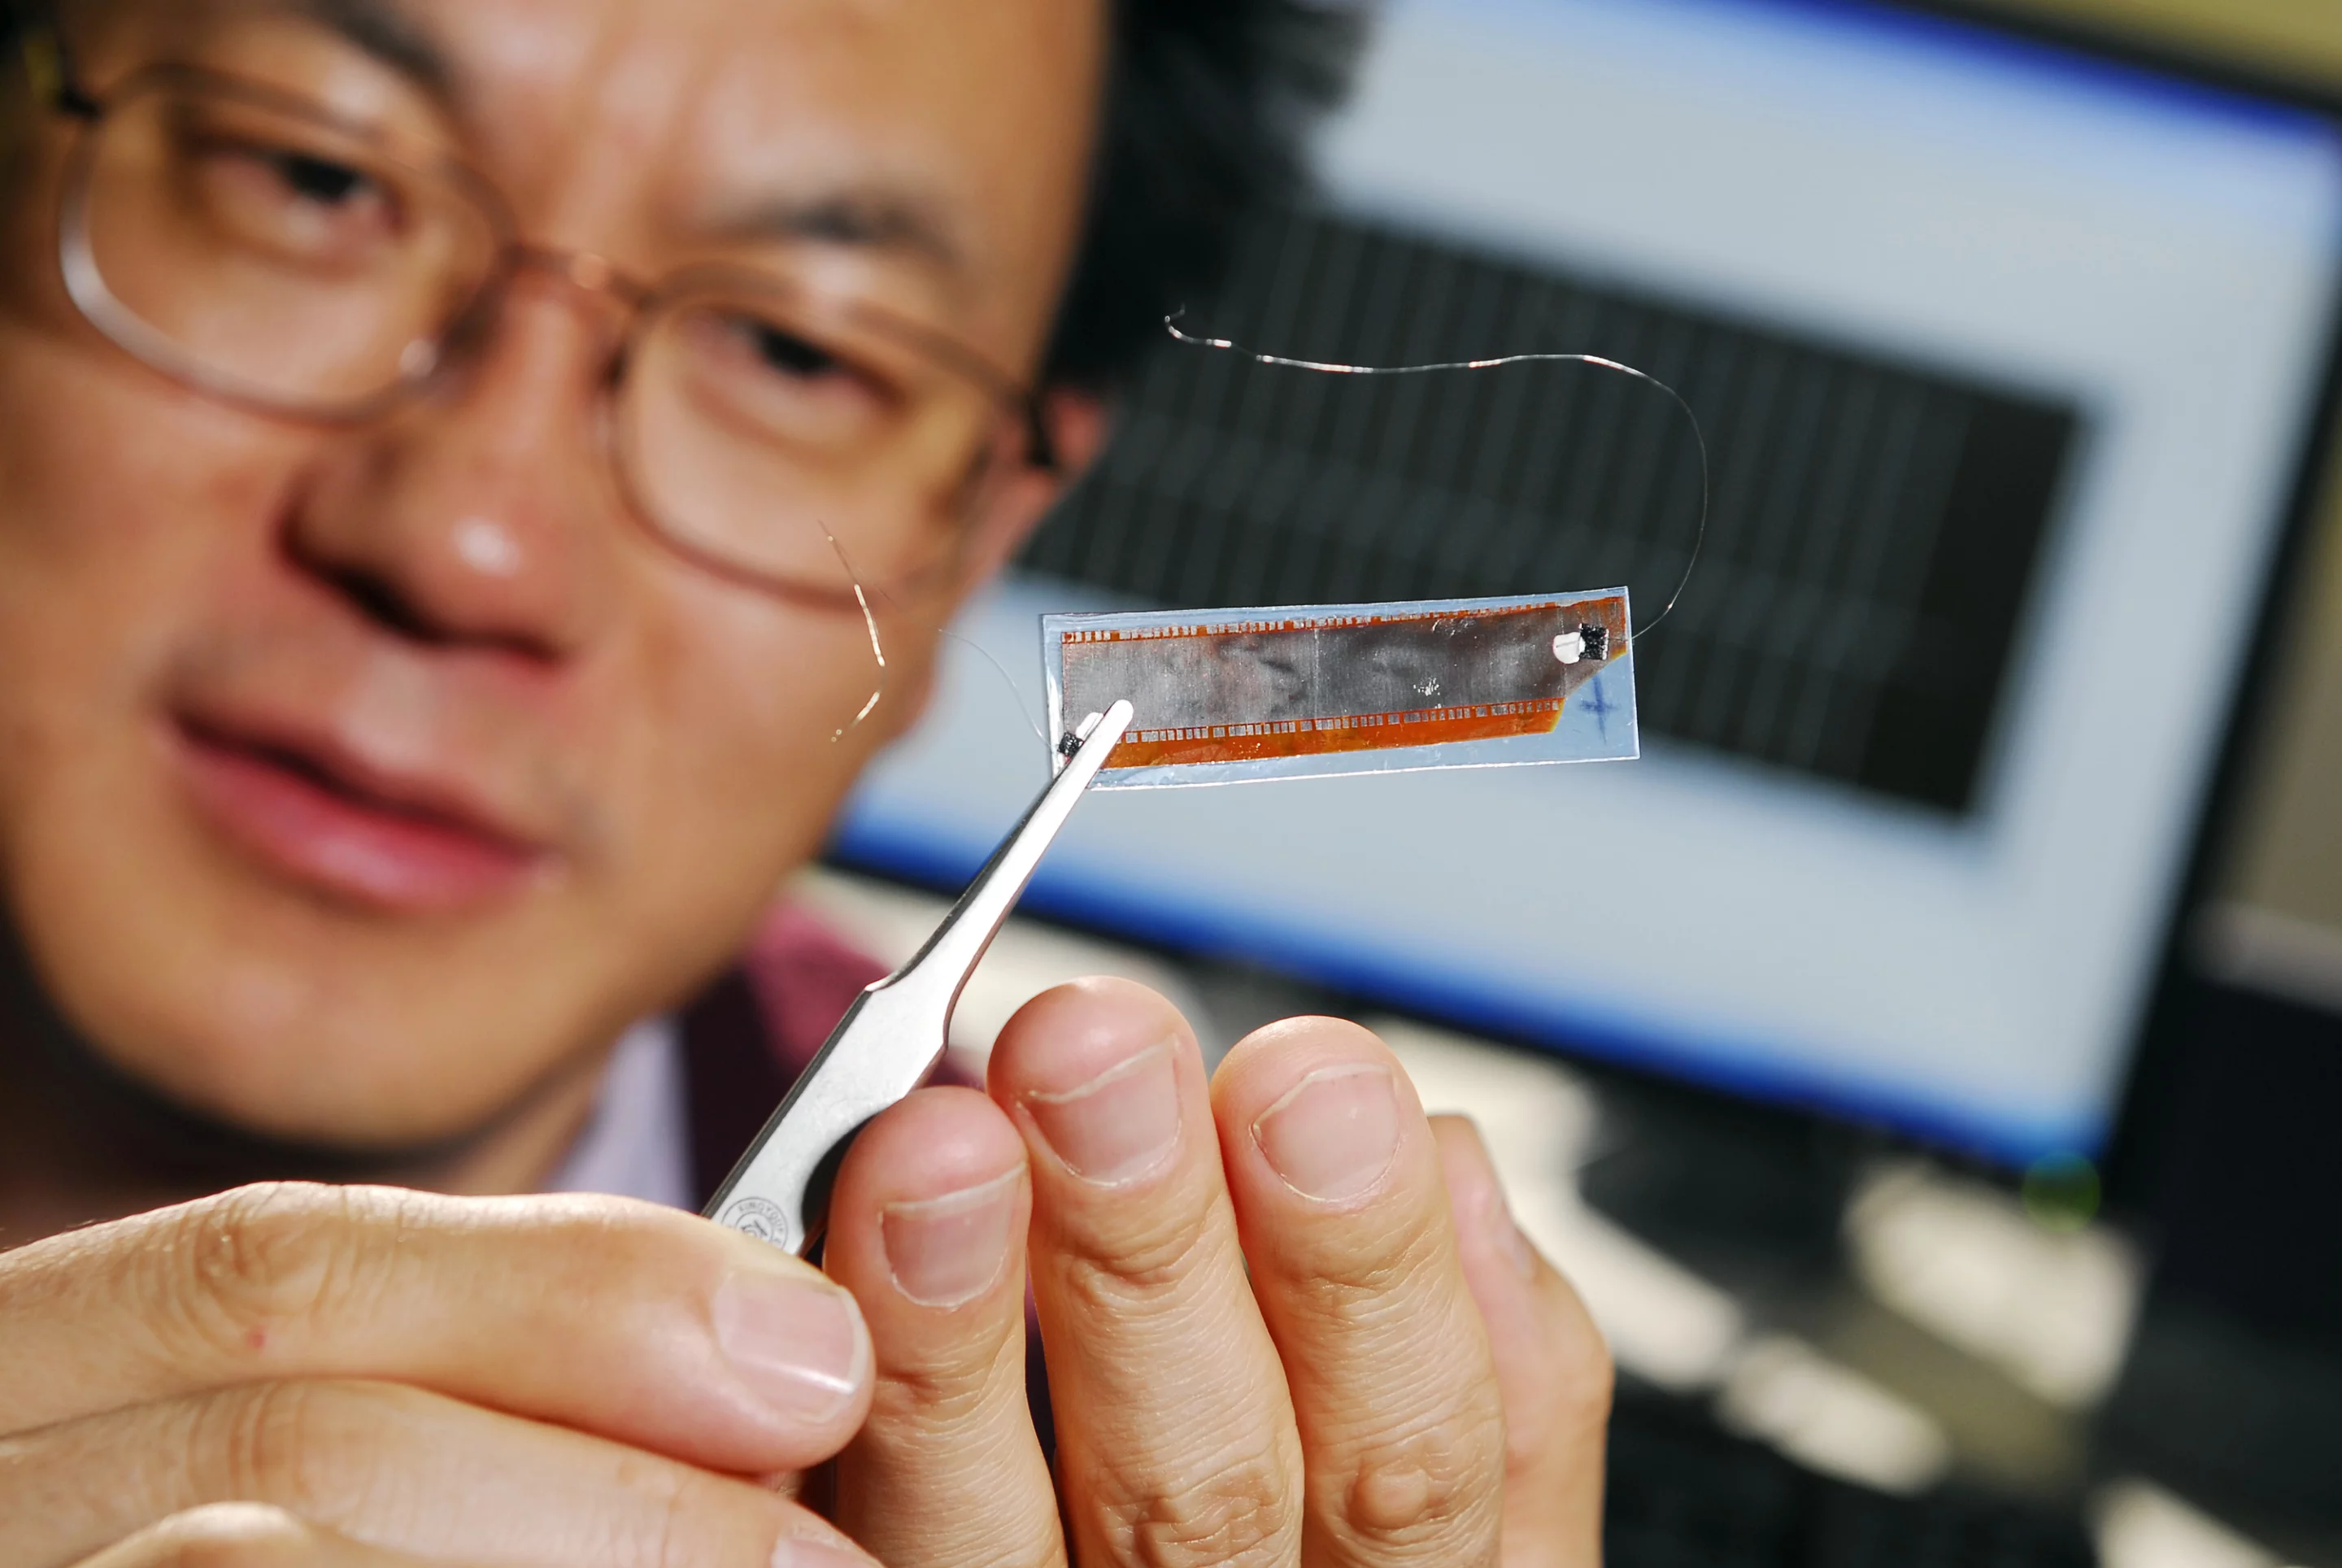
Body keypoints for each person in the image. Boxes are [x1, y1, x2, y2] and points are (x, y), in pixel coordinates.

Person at [0, 1, 1613, 1562]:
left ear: (979, 539)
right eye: (315, 176)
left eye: (794, 349)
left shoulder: (1067, 1365)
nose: (467, 545)